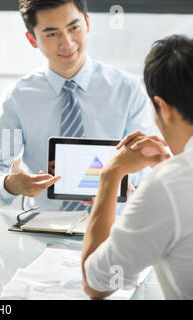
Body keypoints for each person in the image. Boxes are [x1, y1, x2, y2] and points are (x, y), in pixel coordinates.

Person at [0, 0, 154, 212]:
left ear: (88, 23)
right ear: (32, 39)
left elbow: (147, 163)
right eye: (52, 34)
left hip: (112, 227)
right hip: (43, 227)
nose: (67, 43)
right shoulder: (17, 98)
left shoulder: (128, 90)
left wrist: (123, 182)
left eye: (74, 28)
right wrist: (10, 184)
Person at [81, 35, 193, 299]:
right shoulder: (171, 180)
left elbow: (95, 283)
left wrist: (110, 175)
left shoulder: (167, 185)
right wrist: (169, 167)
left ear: (163, 108)